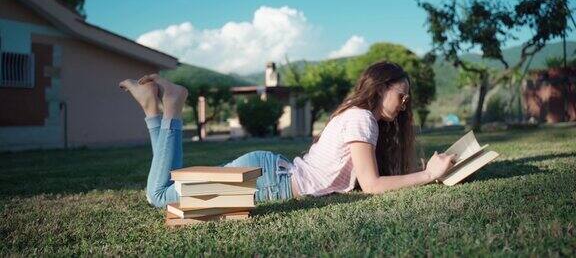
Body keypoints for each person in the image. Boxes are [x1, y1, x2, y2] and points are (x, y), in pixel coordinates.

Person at [119, 61, 456, 208]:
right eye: (401, 95)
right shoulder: (361, 120)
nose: (404, 103)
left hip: (270, 174)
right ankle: (172, 107)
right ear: (381, 89)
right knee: (160, 196)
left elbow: (364, 176)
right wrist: (428, 175)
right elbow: (372, 186)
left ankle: (153, 109)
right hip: (270, 181)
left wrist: (417, 170)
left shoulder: (358, 118)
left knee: (172, 185)